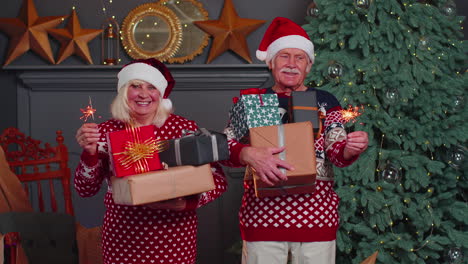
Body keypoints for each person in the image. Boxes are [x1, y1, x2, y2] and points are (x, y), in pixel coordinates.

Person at [223, 17, 369, 264]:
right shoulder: (253, 101)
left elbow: (337, 152)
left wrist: (351, 148)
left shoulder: (325, 100)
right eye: (284, 56)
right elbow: (227, 148)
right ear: (271, 62)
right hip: (262, 218)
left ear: (309, 66)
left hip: (316, 218)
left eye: (299, 58)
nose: (291, 64)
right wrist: (247, 154)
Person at [74, 58, 227, 264]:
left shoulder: (182, 128)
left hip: (174, 238)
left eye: (151, 87)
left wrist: (187, 203)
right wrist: (90, 155)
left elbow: (217, 178)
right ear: (124, 92)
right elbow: (85, 189)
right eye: (135, 86)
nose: (143, 94)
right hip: (123, 238)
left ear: (161, 93)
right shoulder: (104, 132)